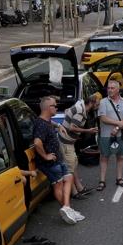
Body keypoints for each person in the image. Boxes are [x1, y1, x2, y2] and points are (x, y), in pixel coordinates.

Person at [33, 96, 85, 224]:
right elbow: (37, 143)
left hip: (58, 159)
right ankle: (67, 209)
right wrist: (46, 156)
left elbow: (48, 123)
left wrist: (58, 125)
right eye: (55, 106)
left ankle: (67, 207)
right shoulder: (40, 125)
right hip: (50, 162)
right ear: (47, 108)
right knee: (58, 185)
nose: (57, 107)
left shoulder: (46, 121)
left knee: (68, 178)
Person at [58, 93, 101, 199]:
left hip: (69, 141)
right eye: (97, 104)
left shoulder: (80, 106)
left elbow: (68, 112)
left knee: (74, 164)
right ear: (91, 103)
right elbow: (72, 127)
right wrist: (88, 130)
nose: (98, 106)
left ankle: (80, 188)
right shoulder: (81, 111)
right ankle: (74, 192)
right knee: (70, 168)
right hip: (66, 142)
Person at [96, 80, 123, 191]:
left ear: (118, 90)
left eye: (112, 88)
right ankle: (102, 181)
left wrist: (117, 128)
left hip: (120, 134)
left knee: (120, 156)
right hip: (106, 135)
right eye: (108, 88)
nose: (109, 90)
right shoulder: (103, 102)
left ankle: (119, 179)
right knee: (104, 157)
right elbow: (103, 118)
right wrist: (117, 123)